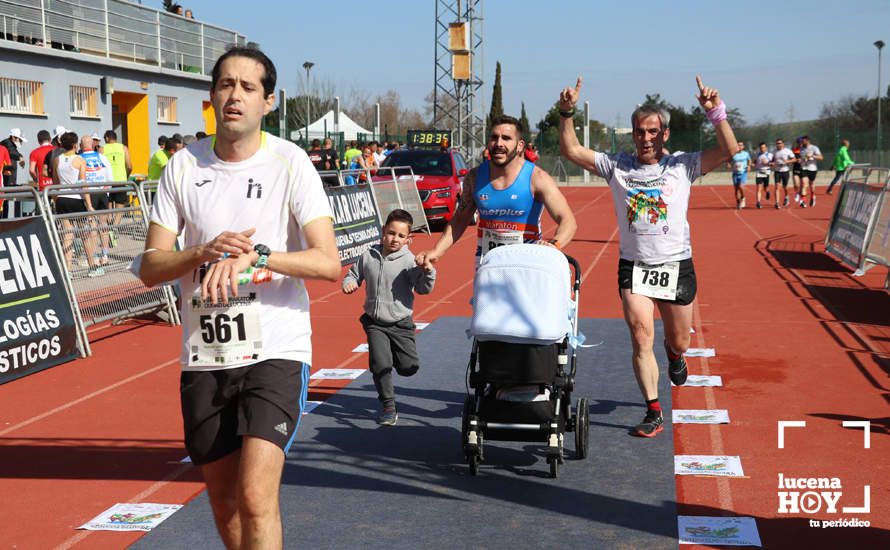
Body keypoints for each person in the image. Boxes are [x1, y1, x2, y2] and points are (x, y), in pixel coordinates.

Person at [138, 45, 339, 549]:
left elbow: (328, 262)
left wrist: (260, 257)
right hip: (206, 355)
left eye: (248, 88)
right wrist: (201, 251)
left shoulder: (290, 163)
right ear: (211, 96)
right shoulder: (183, 167)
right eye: (226, 85)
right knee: (224, 501)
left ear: (267, 102)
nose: (235, 96)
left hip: (277, 347)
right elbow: (149, 266)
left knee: (254, 495)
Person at [556, 75, 738, 438]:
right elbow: (572, 150)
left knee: (679, 339)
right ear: (633, 134)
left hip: (676, 265)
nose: (646, 138)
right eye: (640, 131)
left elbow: (730, 150)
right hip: (634, 266)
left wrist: (716, 112)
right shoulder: (617, 166)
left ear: (664, 134)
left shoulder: (683, 166)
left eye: (653, 131)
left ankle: (675, 355)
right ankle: (653, 410)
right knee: (640, 335)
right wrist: (566, 112)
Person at [415, 114, 576, 270]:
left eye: (506, 138)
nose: (499, 143)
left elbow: (568, 220)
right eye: (494, 137)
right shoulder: (475, 177)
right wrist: (437, 251)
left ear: (520, 145)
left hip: (527, 265)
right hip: (489, 265)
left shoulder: (537, 178)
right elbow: (459, 221)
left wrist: (554, 244)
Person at [342, 209, 436, 425]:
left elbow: (423, 289)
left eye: (401, 236)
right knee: (380, 364)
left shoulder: (409, 262)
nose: (395, 239)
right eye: (391, 233)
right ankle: (388, 406)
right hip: (375, 323)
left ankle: (396, 355)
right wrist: (351, 282)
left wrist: (428, 271)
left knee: (408, 367)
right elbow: (354, 274)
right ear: (383, 232)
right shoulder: (368, 256)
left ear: (408, 240)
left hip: (401, 323)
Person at [53, 132, 104, 276]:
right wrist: (89, 205)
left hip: (62, 199)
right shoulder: (80, 160)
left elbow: (56, 183)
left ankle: (67, 270)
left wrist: (57, 200)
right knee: (85, 235)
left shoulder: (57, 160)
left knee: (67, 235)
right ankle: (93, 267)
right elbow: (83, 185)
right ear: (75, 145)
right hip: (76, 199)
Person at [79, 135, 113, 265]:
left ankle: (93, 257)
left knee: (92, 224)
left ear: (82, 145)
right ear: (92, 144)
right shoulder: (102, 157)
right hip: (102, 192)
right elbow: (110, 177)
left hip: (88, 193)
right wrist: (106, 189)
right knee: (103, 224)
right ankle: (105, 255)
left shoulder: (80, 158)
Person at [103, 130, 133, 213]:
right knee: (120, 203)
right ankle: (116, 225)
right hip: (121, 180)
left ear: (107, 138)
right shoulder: (123, 148)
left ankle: (108, 222)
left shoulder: (102, 149)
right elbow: (130, 166)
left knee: (108, 202)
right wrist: (126, 176)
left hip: (107, 181)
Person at [798, 135, 822, 208]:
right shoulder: (801, 149)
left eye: (803, 141)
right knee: (804, 183)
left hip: (812, 168)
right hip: (804, 168)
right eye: (801, 141)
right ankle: (803, 201)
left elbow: (821, 157)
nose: (802, 142)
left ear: (807, 141)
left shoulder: (814, 148)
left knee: (811, 184)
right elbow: (801, 158)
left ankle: (812, 196)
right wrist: (800, 160)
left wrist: (812, 156)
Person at [770, 138, 796, 208]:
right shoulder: (774, 152)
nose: (778, 145)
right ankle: (777, 203)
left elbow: (794, 159)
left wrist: (787, 162)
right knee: (777, 187)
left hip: (785, 171)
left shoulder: (788, 151)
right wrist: (772, 164)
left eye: (780, 143)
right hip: (777, 171)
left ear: (783, 144)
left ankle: (787, 196)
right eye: (777, 143)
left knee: (785, 187)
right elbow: (771, 161)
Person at [729, 141, 751, 209]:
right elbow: (729, 161)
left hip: (743, 172)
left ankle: (743, 198)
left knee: (741, 186)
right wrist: (728, 164)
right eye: (738, 145)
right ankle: (738, 202)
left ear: (743, 146)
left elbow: (749, 160)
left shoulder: (746, 154)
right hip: (735, 173)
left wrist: (749, 166)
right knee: (736, 190)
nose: (739, 147)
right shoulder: (733, 154)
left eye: (741, 145)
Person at [753, 142, 773, 209]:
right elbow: (755, 162)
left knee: (765, 188)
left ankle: (767, 192)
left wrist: (768, 163)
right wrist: (752, 165)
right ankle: (758, 202)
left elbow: (773, 163)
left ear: (766, 148)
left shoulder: (770, 155)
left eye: (763, 147)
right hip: (759, 172)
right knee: (759, 188)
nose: (762, 149)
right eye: (761, 148)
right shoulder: (758, 155)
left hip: (766, 172)